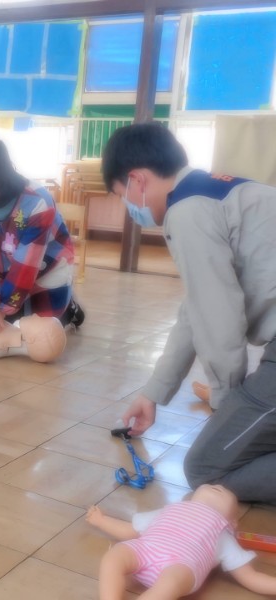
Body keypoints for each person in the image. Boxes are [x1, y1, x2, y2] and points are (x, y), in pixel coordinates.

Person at [102, 123, 276, 503]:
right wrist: (153, 393)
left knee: (207, 469)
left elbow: (219, 322)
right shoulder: (212, 191)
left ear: (137, 180)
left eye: (121, 196)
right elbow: (196, 310)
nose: (128, 208)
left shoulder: (186, 211)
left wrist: (226, 406)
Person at [0, 139, 84, 333]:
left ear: (1, 170)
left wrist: (2, 309)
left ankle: (69, 310)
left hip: (48, 267)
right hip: (6, 269)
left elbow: (27, 264)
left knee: (41, 335)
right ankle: (14, 305)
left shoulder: (36, 201)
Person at [86, 484, 276, 599]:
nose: (219, 485)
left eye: (225, 492)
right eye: (212, 485)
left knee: (171, 583)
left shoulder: (223, 532)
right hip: (145, 549)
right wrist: (102, 521)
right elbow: (131, 530)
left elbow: (250, 577)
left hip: (181, 566)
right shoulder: (171, 509)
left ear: (232, 522)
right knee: (114, 556)